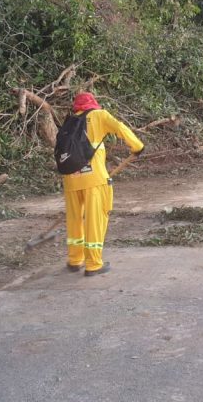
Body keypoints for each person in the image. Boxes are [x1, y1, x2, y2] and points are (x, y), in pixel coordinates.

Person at [62, 92, 144, 277]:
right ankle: (93, 264)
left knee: (74, 220)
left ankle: (75, 260)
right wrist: (137, 146)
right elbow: (120, 127)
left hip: (70, 178)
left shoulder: (70, 121)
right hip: (94, 180)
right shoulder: (99, 115)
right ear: (93, 104)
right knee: (95, 219)